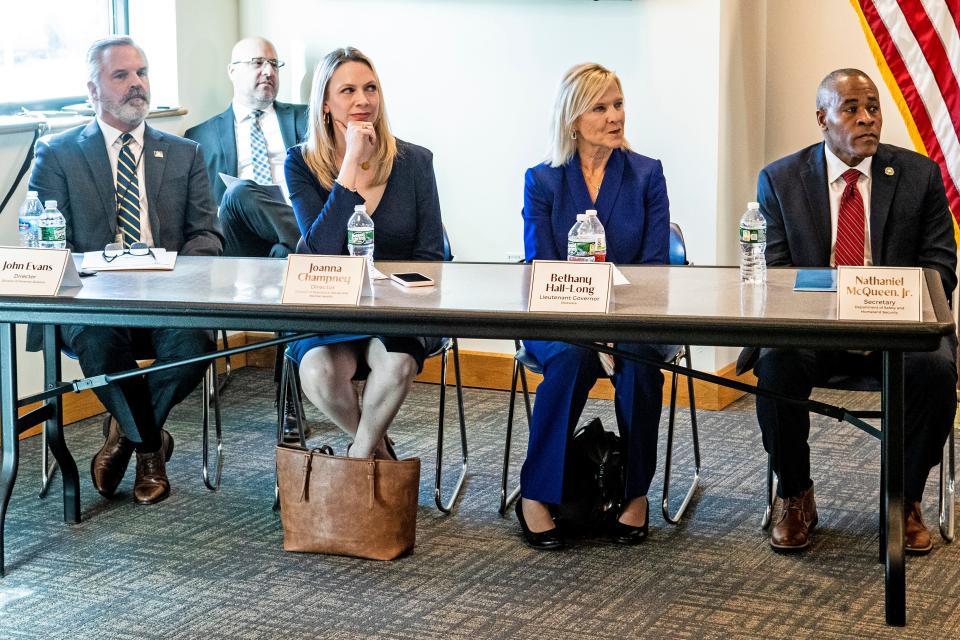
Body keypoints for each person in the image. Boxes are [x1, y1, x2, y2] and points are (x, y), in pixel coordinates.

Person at [738, 68, 957, 554]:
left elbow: (940, 267)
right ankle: (795, 495)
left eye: (873, 108)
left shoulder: (919, 175)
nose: (867, 119)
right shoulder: (781, 178)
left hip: (895, 329)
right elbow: (775, 273)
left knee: (936, 368)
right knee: (776, 365)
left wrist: (888, 299)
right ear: (822, 118)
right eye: (852, 109)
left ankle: (904, 499)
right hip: (815, 329)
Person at [29, 36, 224, 505]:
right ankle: (153, 449)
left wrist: (177, 274)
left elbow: (207, 235)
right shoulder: (57, 153)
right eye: (121, 76)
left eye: (141, 73)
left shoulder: (184, 153)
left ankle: (127, 433)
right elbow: (49, 244)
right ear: (93, 90)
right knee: (97, 341)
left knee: (194, 344)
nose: (137, 84)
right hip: (96, 301)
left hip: (168, 295)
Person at [518, 63, 671, 550]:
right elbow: (539, 264)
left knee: (639, 363)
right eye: (600, 107)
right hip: (559, 316)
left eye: (618, 104)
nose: (614, 116)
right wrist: (587, 327)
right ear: (572, 119)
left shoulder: (647, 173)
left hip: (634, 314)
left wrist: (611, 326)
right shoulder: (542, 180)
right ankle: (536, 494)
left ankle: (635, 492)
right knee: (570, 356)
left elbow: (653, 269)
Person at [284, 47, 444, 459]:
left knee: (398, 366)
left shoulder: (414, 162)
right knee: (318, 373)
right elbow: (319, 251)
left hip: (395, 311)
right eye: (348, 90)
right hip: (329, 310)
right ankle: (382, 456)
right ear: (325, 103)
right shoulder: (299, 163)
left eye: (370, 88)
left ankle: (359, 457)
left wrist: (397, 293)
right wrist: (350, 163)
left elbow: (430, 255)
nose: (363, 100)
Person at [185, 36, 308, 258]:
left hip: (289, 236)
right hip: (239, 238)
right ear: (232, 71)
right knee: (238, 191)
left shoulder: (306, 119)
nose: (269, 71)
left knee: (282, 252)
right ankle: (309, 241)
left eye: (274, 64)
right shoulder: (199, 137)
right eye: (258, 62)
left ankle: (296, 241)